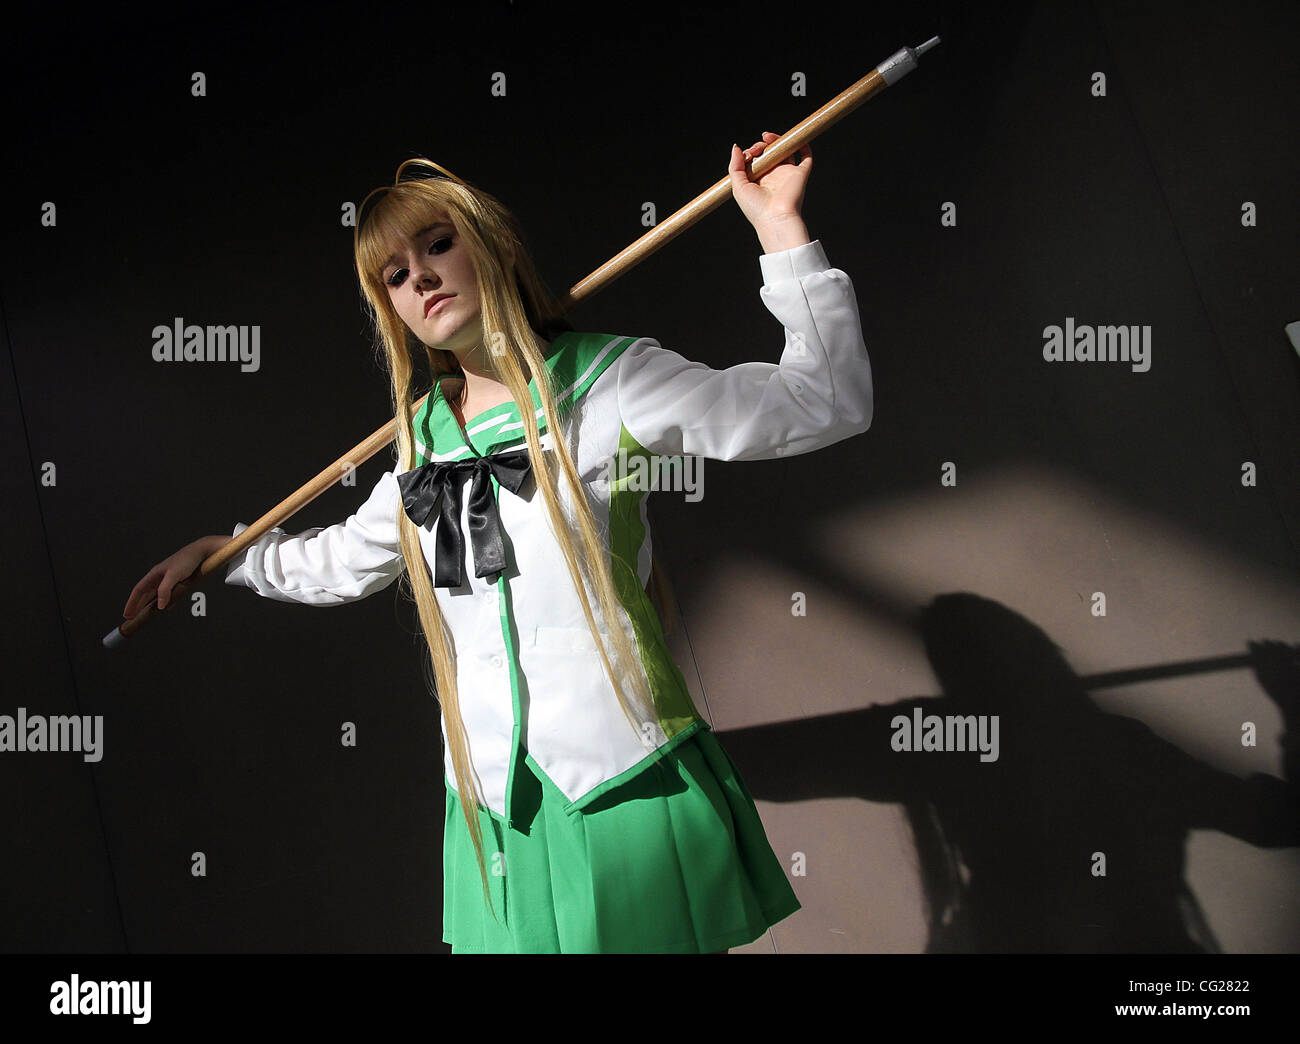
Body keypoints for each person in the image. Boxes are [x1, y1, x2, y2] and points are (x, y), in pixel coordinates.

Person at [122, 132, 875, 953]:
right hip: (494, 812)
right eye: (396, 274)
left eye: (438, 244)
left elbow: (824, 402)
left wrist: (780, 231)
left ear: (490, 246)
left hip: (621, 782)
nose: (422, 277)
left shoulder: (612, 382)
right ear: (393, 309)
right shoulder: (421, 443)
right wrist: (226, 555)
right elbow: (340, 561)